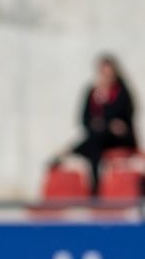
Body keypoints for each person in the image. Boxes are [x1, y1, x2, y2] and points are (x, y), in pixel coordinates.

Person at [54, 54, 138, 195]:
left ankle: (94, 186)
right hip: (98, 137)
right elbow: (84, 120)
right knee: (95, 141)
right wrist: (105, 122)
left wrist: (102, 111)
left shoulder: (121, 92)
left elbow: (123, 117)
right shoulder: (92, 92)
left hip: (119, 139)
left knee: (93, 141)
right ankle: (92, 183)